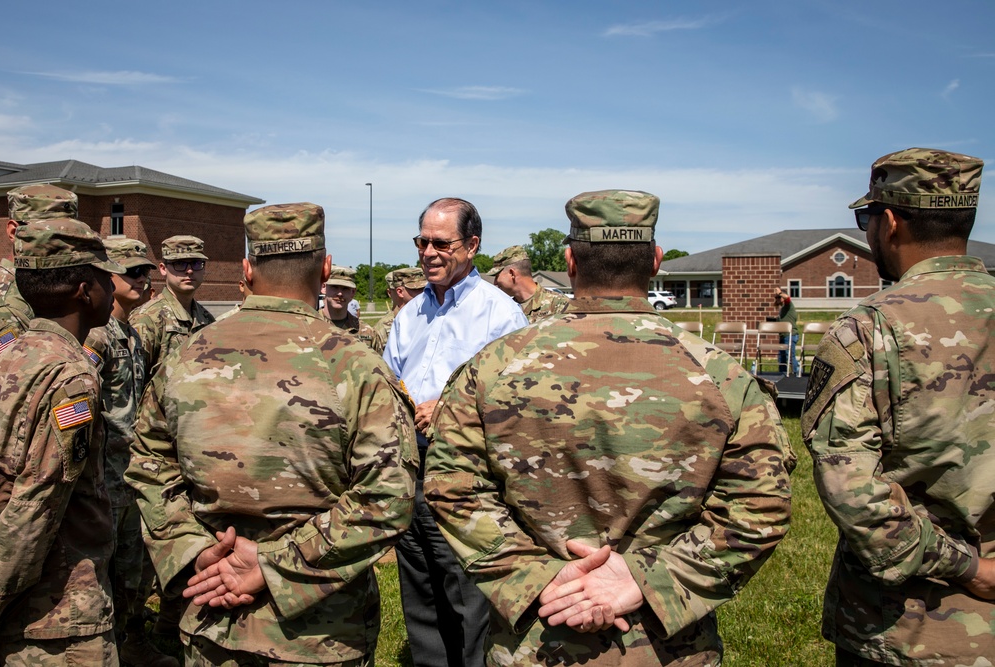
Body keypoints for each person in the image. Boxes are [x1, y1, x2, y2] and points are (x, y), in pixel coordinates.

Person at [423, 189, 794, 665]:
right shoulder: (721, 376)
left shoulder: (493, 368)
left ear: (570, 261)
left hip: (539, 637)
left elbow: (452, 486)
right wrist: (649, 580)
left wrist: (538, 576)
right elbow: (759, 504)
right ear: (656, 261)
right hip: (668, 648)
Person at [126, 202, 418, 666]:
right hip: (320, 635)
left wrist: (193, 549)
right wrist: (274, 564)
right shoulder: (356, 365)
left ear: (246, 268)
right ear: (325, 270)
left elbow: (147, 465)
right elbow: (388, 496)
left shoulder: (187, 356)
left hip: (211, 615)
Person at [802, 148, 995, 666]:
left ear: (888, 223)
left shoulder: (866, 330)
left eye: (865, 219)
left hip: (909, 628)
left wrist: (970, 569)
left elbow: (855, 493)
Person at [383, 197, 528, 667]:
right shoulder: (409, 315)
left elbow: (518, 407)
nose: (428, 252)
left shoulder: (500, 315)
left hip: (470, 478)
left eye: (440, 243)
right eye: (421, 241)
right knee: (421, 597)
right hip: (413, 472)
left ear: (472, 245)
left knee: (468, 599)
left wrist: (448, 410)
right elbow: (390, 381)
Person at [0, 218, 124, 665]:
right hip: (58, 615)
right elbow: (38, 503)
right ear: (85, 291)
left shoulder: (10, 353)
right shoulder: (71, 376)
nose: (115, 289)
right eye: (108, 278)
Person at [84, 238, 178, 667]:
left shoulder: (133, 332)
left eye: (146, 271)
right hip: (105, 473)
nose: (143, 279)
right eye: (132, 272)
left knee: (133, 566)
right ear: (108, 277)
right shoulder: (96, 336)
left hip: (132, 471)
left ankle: (131, 637)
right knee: (103, 567)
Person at [0, 184, 79, 342]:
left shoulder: (70, 290)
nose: (62, 243)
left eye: (69, 234)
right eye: (47, 233)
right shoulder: (2, 303)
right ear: (14, 232)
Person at [130, 234, 215, 381]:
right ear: (163, 269)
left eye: (196, 263)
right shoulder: (147, 319)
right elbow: (134, 386)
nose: (189, 271)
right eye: (180, 264)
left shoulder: (207, 319)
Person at [487, 244, 570, 323]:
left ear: (512, 274)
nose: (495, 283)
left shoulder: (559, 304)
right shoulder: (505, 308)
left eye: (497, 276)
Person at [370, 266, 426, 354]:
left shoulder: (430, 317)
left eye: (424, 289)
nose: (422, 293)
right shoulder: (382, 328)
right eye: (416, 289)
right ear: (400, 292)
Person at [321, 265, 374, 344]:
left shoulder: (366, 331)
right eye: (334, 287)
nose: (339, 293)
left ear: (352, 292)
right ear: (323, 287)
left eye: (345, 288)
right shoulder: (307, 326)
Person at [773, 286, 799, 376]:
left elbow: (787, 298)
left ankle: (795, 374)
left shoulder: (789, 305)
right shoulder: (782, 309)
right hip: (783, 336)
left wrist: (779, 293)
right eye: (776, 297)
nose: (777, 299)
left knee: (790, 356)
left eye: (779, 297)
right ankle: (782, 374)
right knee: (782, 357)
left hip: (790, 335)